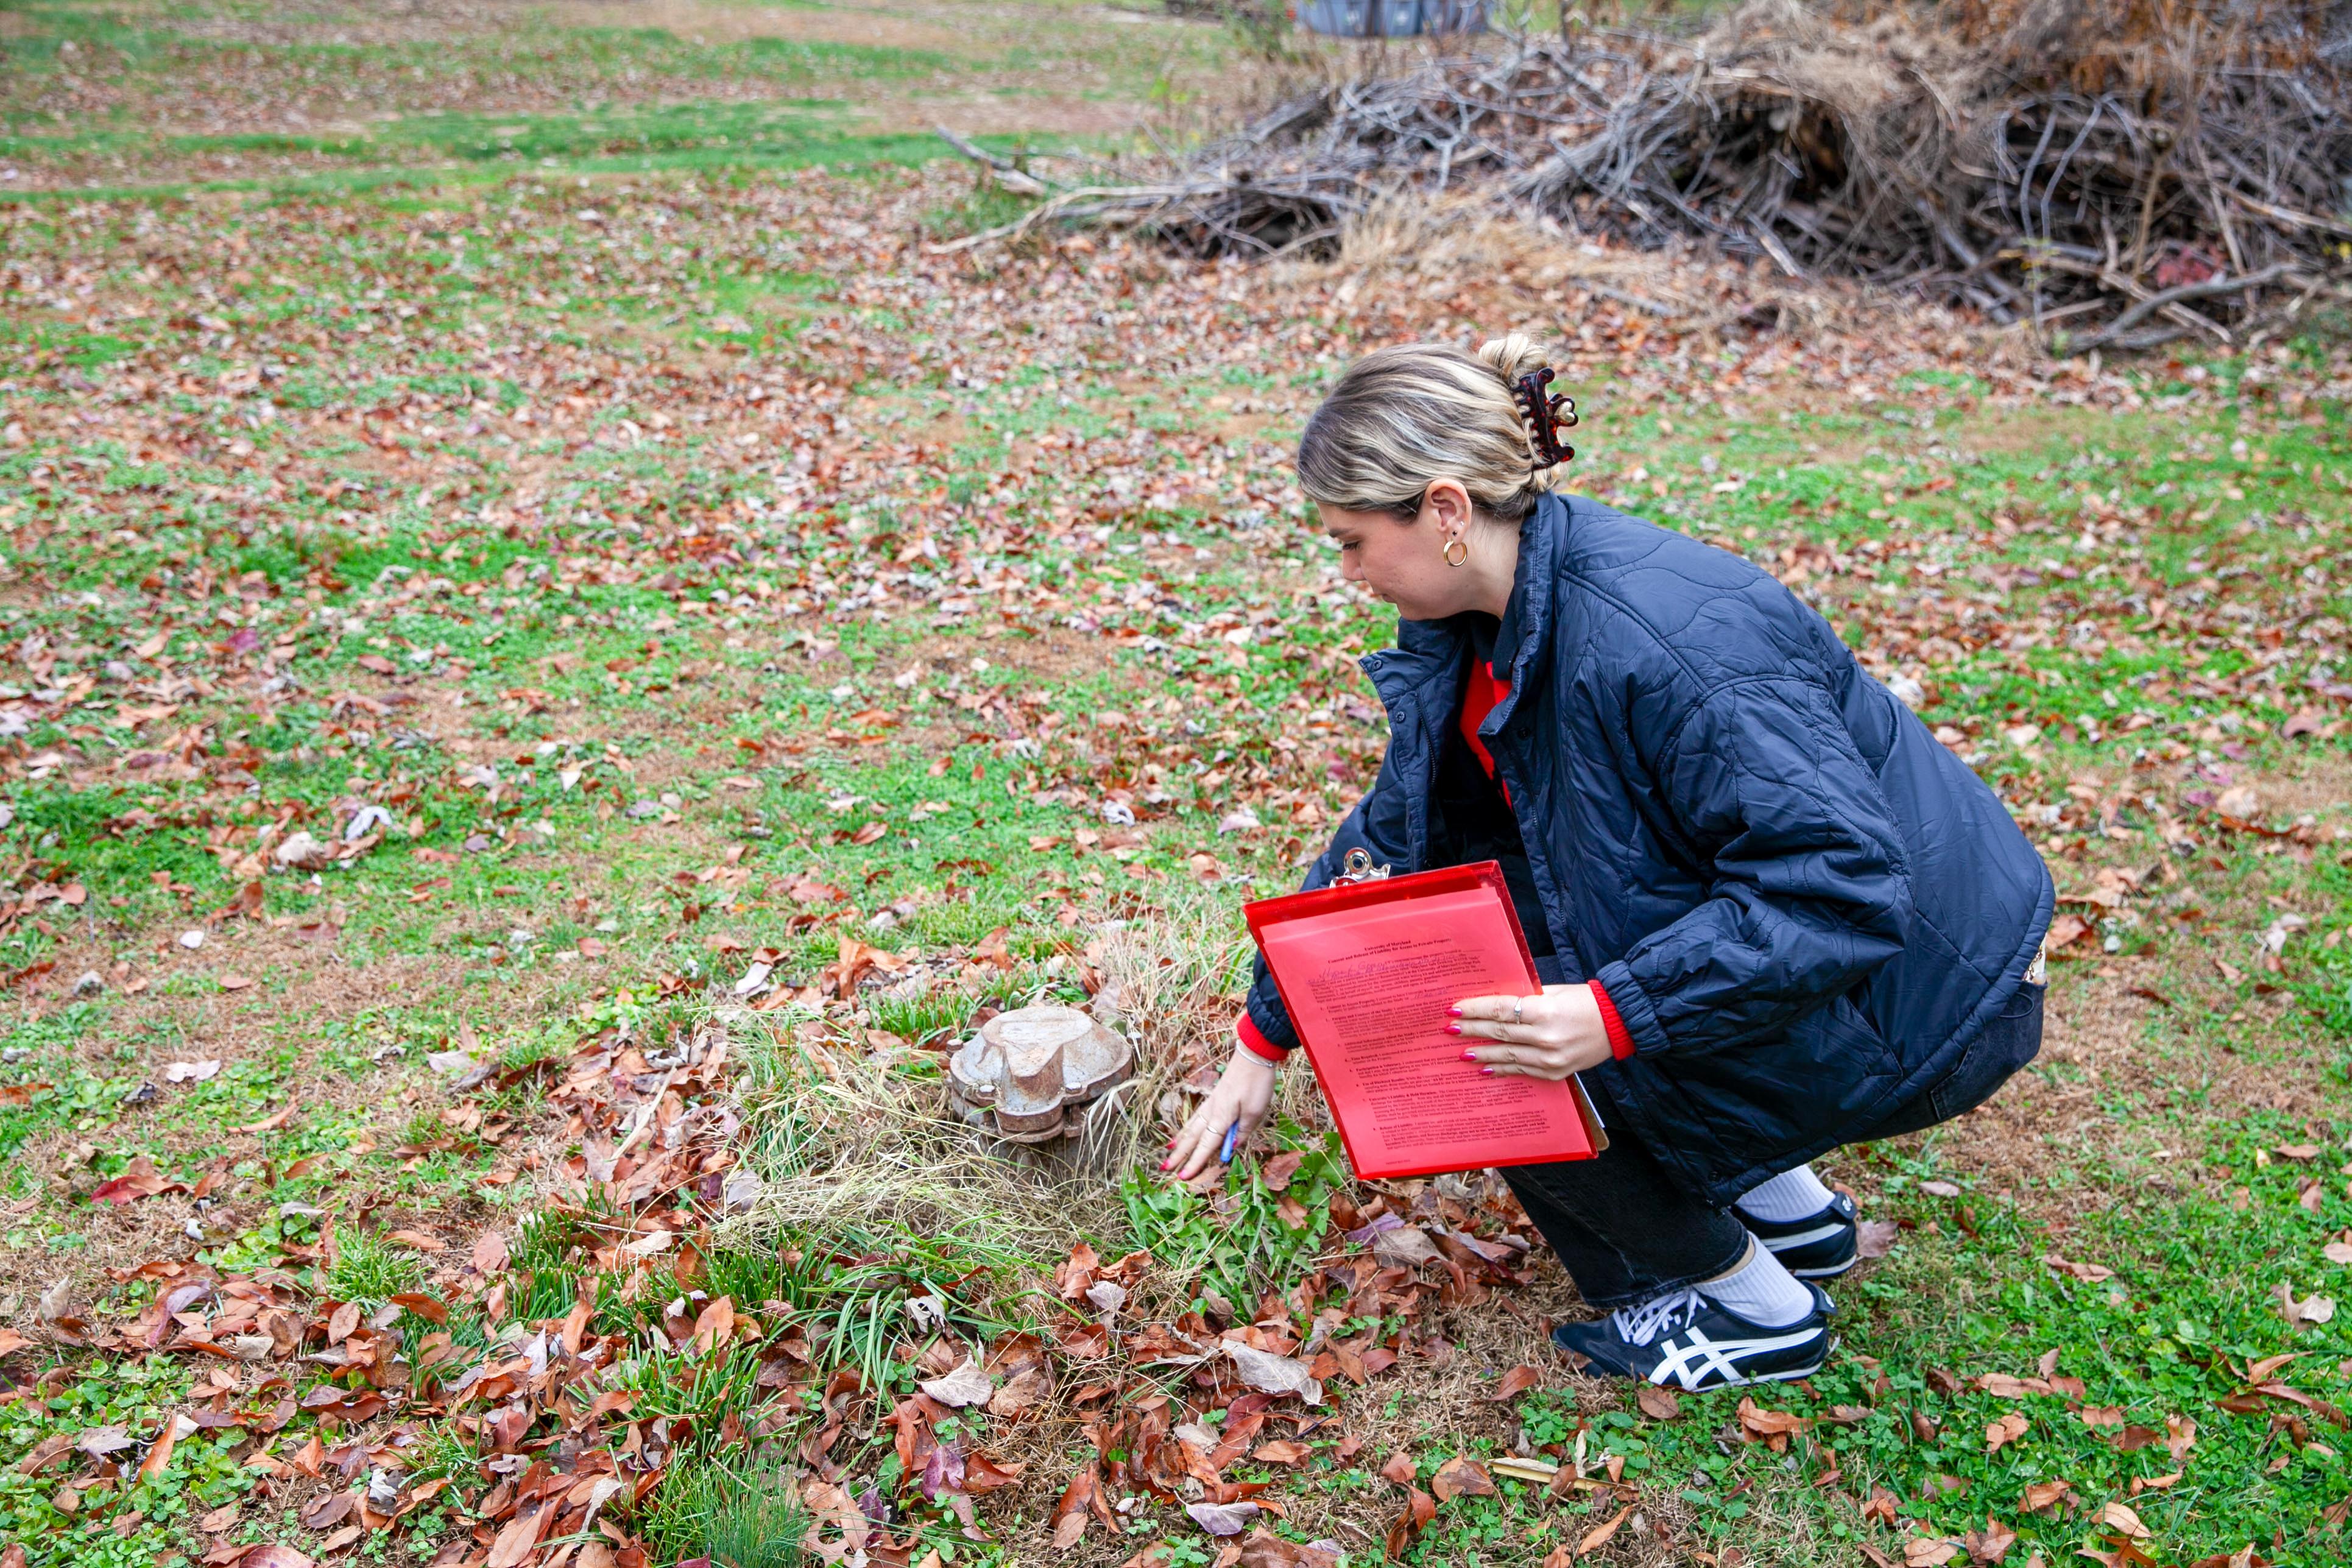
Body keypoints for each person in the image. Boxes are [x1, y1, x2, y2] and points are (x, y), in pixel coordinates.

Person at [1164, 334, 2052, 1392]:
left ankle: (1761, 1314)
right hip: (1875, 965)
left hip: (1930, 996)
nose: (1347, 573)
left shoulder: (1660, 637)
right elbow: (1397, 841)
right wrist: (1263, 1035)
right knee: (1486, 952)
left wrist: (1612, 1013)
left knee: (1480, 1034)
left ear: (1444, 511)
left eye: (1352, 542)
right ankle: (1796, 1219)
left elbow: (1838, 882)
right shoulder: (1481, 625)